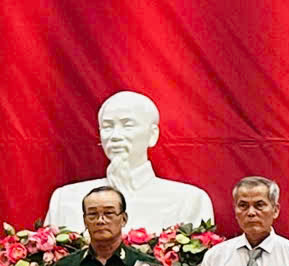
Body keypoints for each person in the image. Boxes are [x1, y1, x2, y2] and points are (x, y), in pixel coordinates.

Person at [40, 90, 217, 234]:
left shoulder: (188, 200)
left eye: (128, 125)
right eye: (107, 126)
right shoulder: (65, 199)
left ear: (153, 135)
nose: (115, 136)